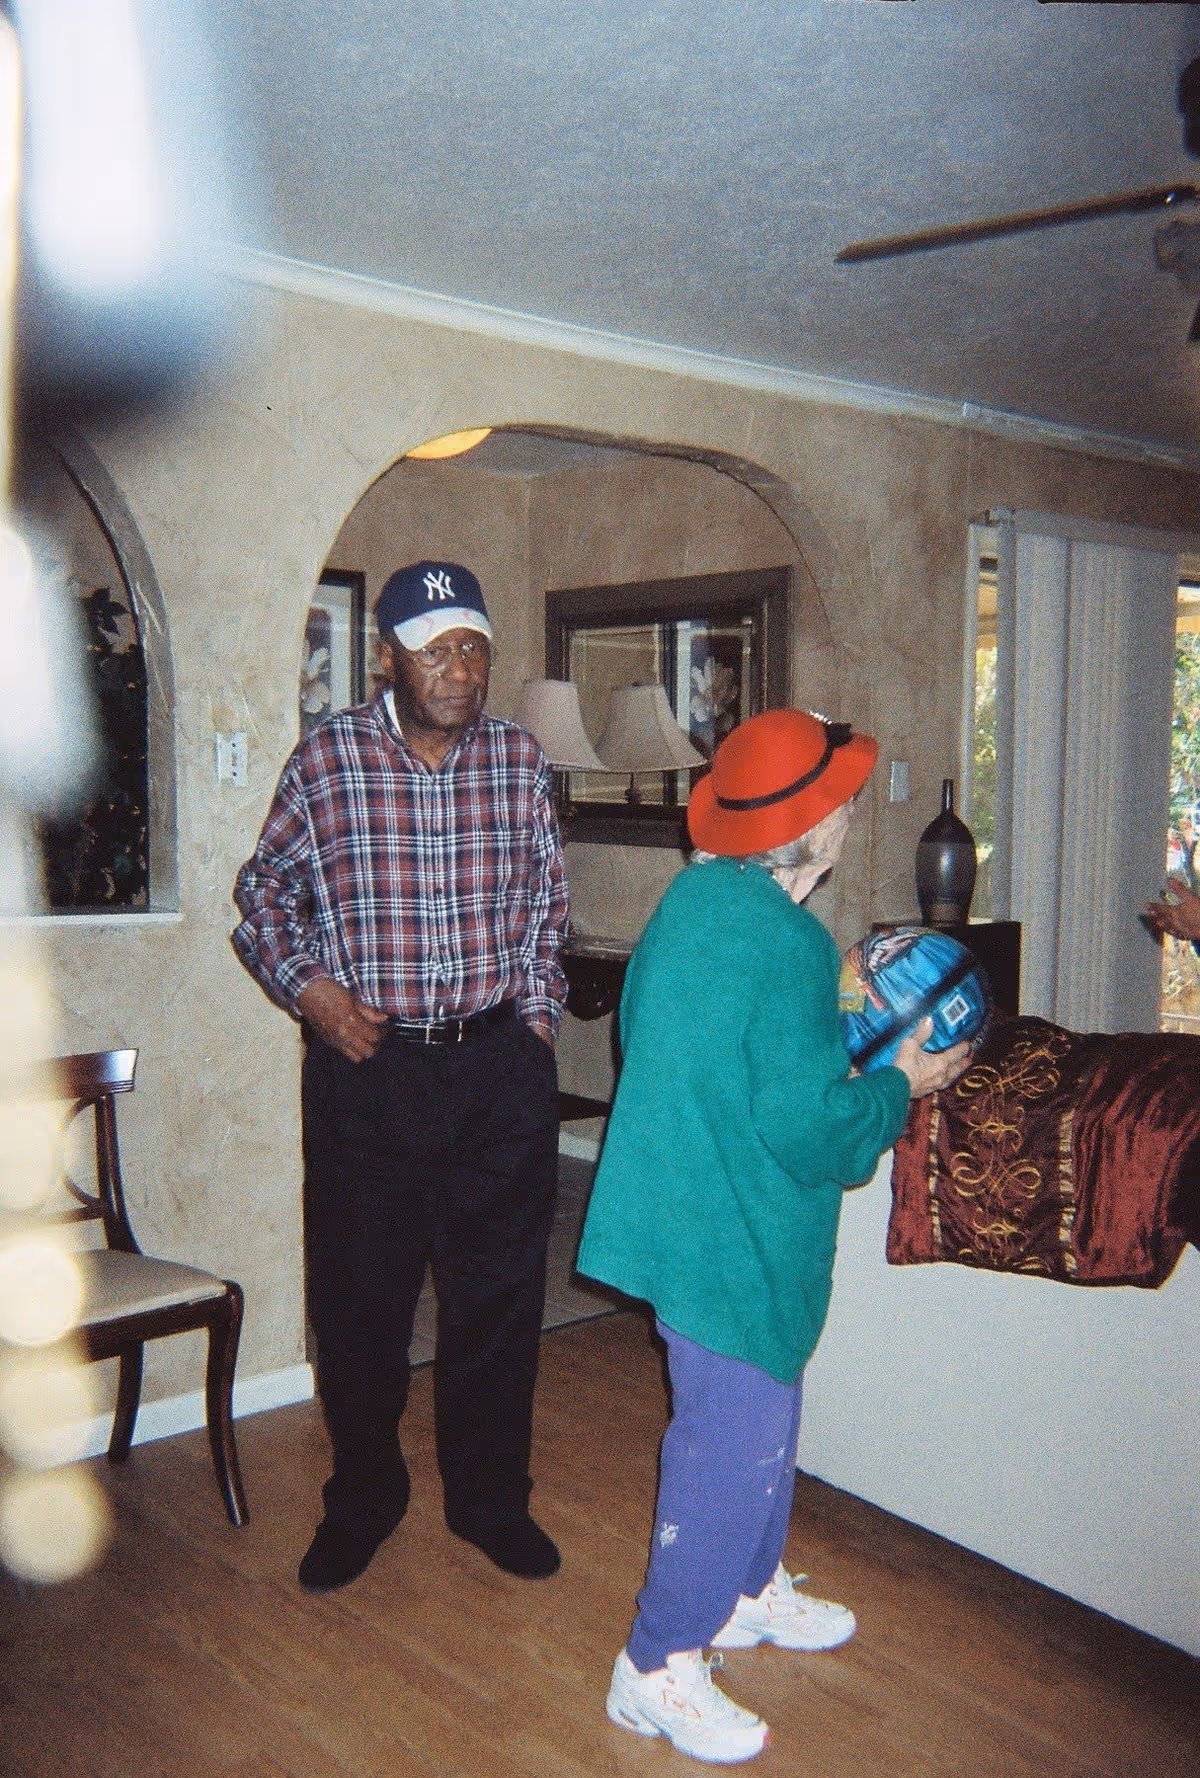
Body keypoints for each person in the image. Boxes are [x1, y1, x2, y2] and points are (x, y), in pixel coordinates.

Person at [576, 709, 970, 1765]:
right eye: (838, 798)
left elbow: (699, 1056)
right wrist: (899, 1081)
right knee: (728, 1440)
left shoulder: (694, 900)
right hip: (732, 1235)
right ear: (810, 828)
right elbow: (813, 1135)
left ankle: (745, 1589)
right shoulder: (792, 943)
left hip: (680, 1213)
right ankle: (656, 1662)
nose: (849, 810)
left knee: (760, 1415)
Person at [232, 559, 568, 1592]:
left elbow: (550, 899)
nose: (460, 670)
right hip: (368, 1074)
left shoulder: (518, 760)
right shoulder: (328, 760)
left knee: (499, 1303)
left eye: (473, 648)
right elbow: (261, 896)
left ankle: (489, 1501)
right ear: (388, 659)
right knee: (362, 1307)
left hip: (496, 1072)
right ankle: (364, 1499)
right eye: (436, 651)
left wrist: (537, 1018)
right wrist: (313, 995)